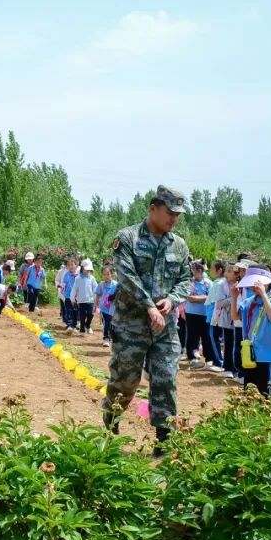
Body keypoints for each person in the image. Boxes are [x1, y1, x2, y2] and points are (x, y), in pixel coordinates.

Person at [102, 185, 192, 456]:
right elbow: (127, 277)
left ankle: (164, 441)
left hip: (165, 327)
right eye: (170, 212)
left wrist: (172, 299)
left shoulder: (178, 244)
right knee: (125, 381)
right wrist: (149, 306)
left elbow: (185, 279)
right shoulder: (127, 238)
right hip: (131, 325)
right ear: (153, 208)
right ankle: (112, 419)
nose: (174, 219)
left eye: (178, 214)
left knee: (166, 378)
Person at [232, 266, 271, 396]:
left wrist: (264, 295)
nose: (254, 288)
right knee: (249, 390)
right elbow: (235, 317)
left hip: (267, 353)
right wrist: (234, 297)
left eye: (257, 284)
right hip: (250, 351)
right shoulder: (248, 302)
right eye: (251, 284)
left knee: (266, 390)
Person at [182, 261, 212, 369]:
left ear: (199, 271)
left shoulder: (208, 283)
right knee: (192, 336)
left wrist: (196, 298)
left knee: (206, 336)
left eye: (193, 270)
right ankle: (192, 358)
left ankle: (209, 359)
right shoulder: (189, 283)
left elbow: (210, 297)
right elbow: (189, 297)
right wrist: (203, 297)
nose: (192, 272)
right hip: (191, 313)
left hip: (205, 314)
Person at [202, 260, 226, 372]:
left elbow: (215, 303)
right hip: (215, 316)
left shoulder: (219, 284)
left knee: (214, 339)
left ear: (219, 270)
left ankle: (219, 362)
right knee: (217, 339)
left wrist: (212, 318)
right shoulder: (219, 282)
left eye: (212, 268)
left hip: (214, 317)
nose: (211, 270)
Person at [71, 259, 99, 334]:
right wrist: (72, 298)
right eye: (86, 269)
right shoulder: (78, 278)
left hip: (90, 300)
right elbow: (74, 288)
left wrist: (97, 297)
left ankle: (88, 325)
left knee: (91, 314)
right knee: (82, 316)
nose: (88, 271)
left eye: (89, 270)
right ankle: (82, 329)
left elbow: (96, 288)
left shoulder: (92, 278)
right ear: (82, 268)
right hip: (81, 301)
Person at [96, 265, 118, 347]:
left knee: (112, 324)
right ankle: (106, 338)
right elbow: (98, 295)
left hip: (112, 309)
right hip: (104, 309)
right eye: (104, 274)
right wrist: (96, 306)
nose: (106, 276)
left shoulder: (116, 284)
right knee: (106, 324)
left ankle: (111, 337)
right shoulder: (101, 284)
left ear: (112, 274)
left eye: (108, 274)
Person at [61, 257, 79, 330]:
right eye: (68, 265)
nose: (70, 266)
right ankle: (69, 325)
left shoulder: (79, 275)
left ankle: (75, 324)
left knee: (76, 311)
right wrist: (62, 291)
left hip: (76, 297)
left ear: (76, 265)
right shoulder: (66, 275)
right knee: (69, 310)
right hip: (68, 296)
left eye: (72, 264)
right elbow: (63, 284)